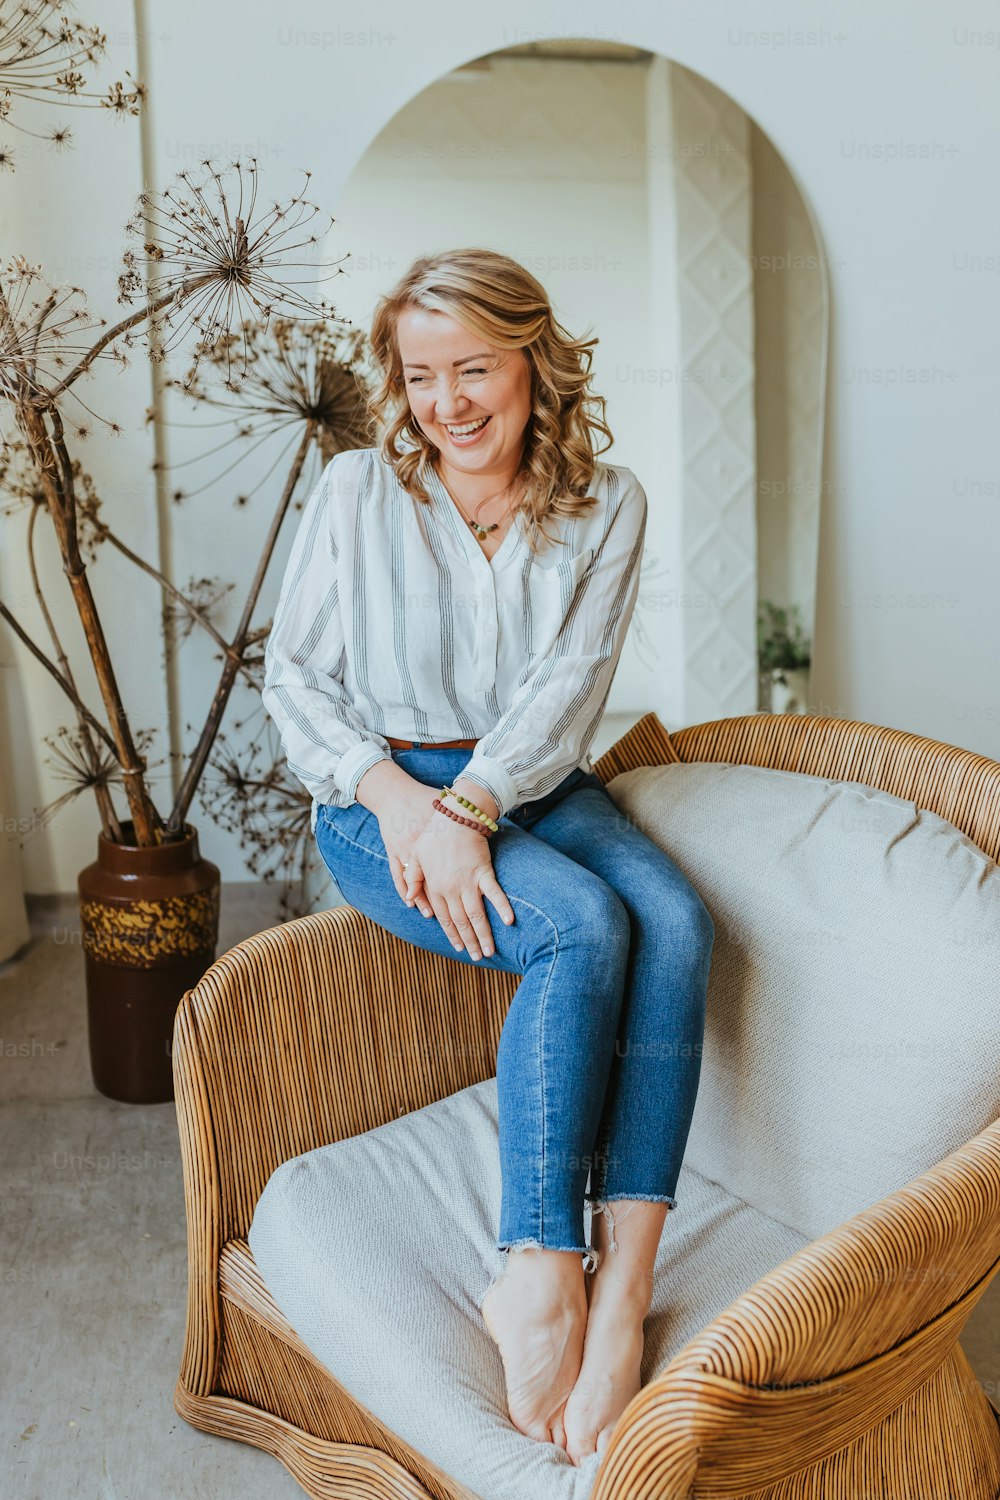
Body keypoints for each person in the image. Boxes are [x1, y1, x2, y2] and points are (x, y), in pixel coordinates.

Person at [261, 247, 715, 1468]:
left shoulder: (603, 501)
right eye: (421, 375)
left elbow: (567, 697)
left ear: (532, 360)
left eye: (474, 368)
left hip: (527, 779)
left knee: (677, 923)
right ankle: (538, 1266)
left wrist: (470, 805)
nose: (449, 401)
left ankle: (624, 1295)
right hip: (378, 791)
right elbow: (293, 676)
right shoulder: (359, 491)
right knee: (583, 926)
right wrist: (405, 807)